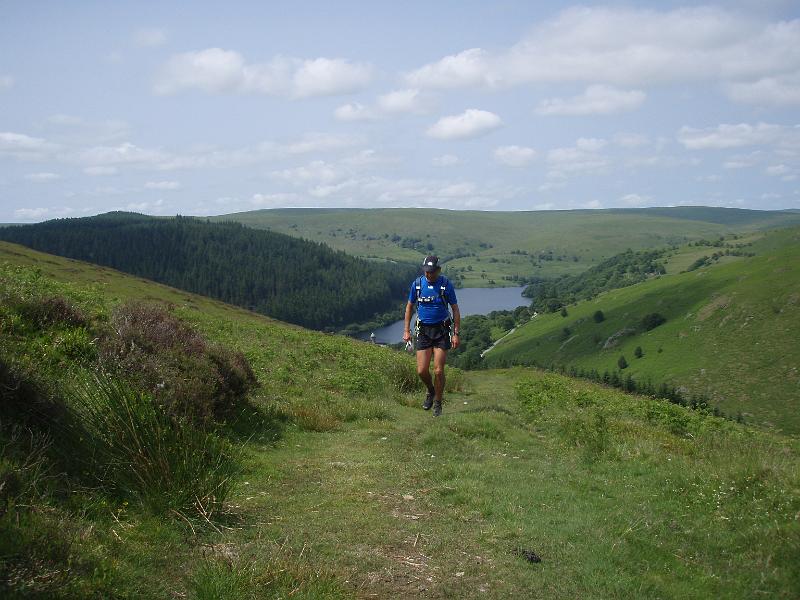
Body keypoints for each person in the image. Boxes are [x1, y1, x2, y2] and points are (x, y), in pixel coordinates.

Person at [402, 255, 461, 417]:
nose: (430, 275)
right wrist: (406, 330)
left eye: (433, 271)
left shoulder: (445, 285)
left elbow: (455, 309)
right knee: (421, 371)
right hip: (423, 331)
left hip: (441, 331)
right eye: (427, 271)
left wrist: (456, 333)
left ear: (438, 270)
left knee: (438, 370)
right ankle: (431, 390)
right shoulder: (418, 284)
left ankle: (438, 403)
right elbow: (409, 307)